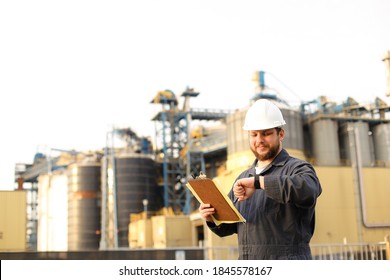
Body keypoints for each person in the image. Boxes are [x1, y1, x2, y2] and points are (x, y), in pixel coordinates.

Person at [199, 99, 322, 260]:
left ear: (281, 134)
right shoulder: (243, 177)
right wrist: (211, 218)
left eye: (266, 133)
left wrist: (259, 182)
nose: (259, 140)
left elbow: (308, 190)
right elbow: (229, 227)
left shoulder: (297, 169)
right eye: (254, 134)